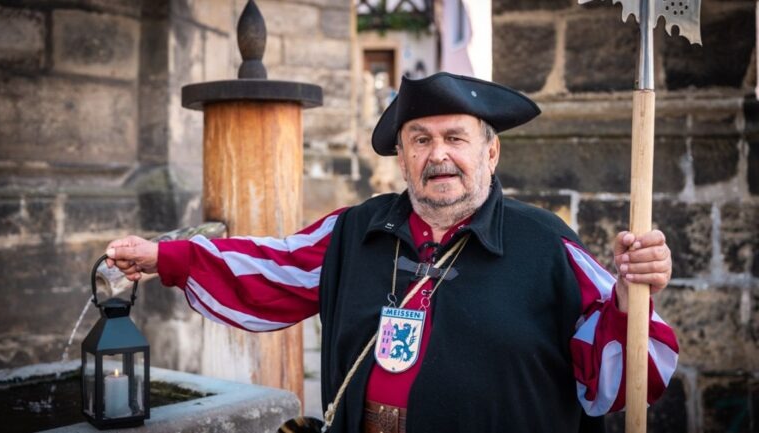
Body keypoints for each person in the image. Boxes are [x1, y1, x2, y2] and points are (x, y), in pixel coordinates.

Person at [106, 72, 677, 433]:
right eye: (421, 140)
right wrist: (169, 257)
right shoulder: (356, 231)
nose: (439, 155)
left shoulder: (547, 243)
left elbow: (622, 371)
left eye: (456, 138)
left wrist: (631, 296)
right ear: (402, 160)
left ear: (491, 153)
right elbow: (274, 266)